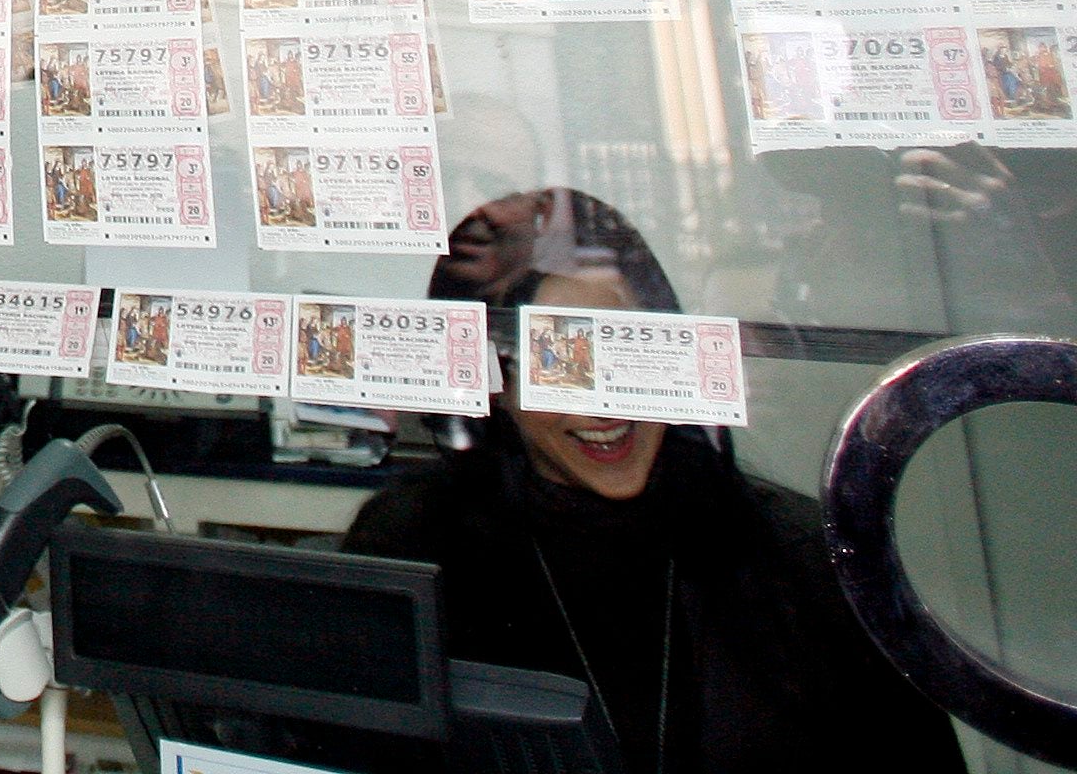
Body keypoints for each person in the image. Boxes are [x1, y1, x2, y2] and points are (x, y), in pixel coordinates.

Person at [343, 189, 961, 772]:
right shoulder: (417, 543)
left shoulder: (800, 560)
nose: (607, 407)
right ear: (498, 387)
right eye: (561, 365)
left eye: (632, 355)